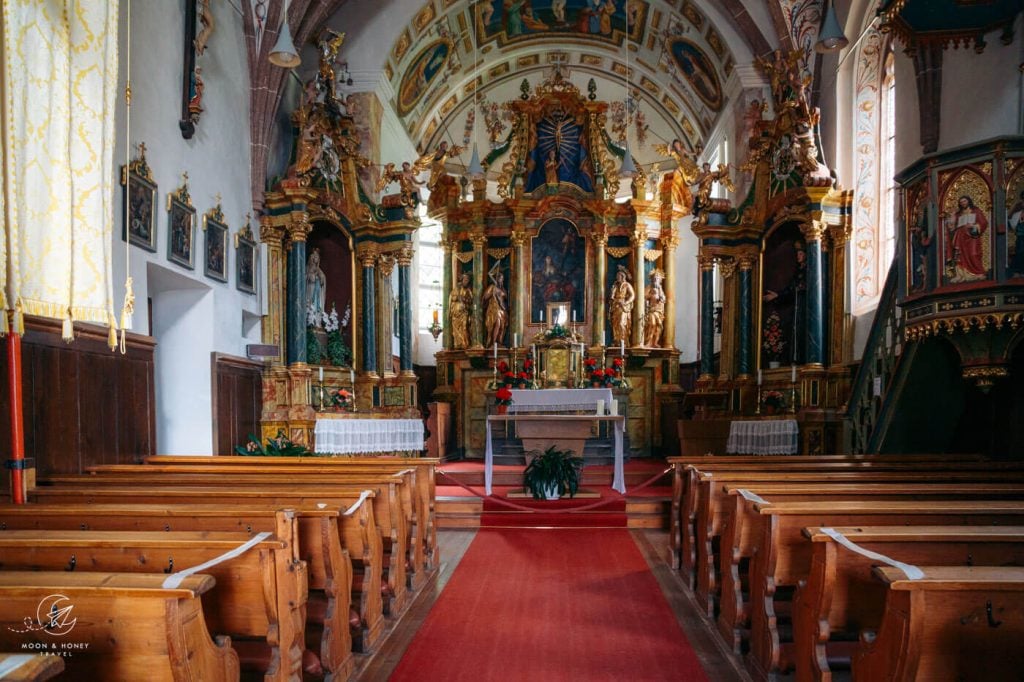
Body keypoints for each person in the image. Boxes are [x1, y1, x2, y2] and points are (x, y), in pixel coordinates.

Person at [762, 240, 807, 365]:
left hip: (805, 308)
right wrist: (777, 295)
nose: (798, 257)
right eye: (797, 254)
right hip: (797, 307)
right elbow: (790, 289)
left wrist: (779, 295)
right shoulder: (798, 272)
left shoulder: (808, 271)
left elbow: (796, 289)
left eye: (801, 254)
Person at [944, 195, 989, 283]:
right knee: (959, 256)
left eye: (964, 201)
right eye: (961, 202)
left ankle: (978, 273)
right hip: (960, 237)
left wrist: (974, 225)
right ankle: (960, 275)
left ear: (968, 201)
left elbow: (983, 222)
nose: (963, 203)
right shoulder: (958, 214)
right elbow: (951, 226)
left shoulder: (976, 211)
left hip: (972, 237)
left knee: (973, 254)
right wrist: (951, 219)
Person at [609, 266, 634, 345]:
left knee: (621, 323)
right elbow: (611, 298)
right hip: (615, 306)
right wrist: (612, 293)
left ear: (623, 277)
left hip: (623, 306)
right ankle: (616, 340)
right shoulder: (615, 286)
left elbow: (632, 295)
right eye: (617, 277)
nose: (617, 278)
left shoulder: (627, 285)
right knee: (615, 324)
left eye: (618, 276)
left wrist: (626, 302)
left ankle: (623, 341)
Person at [483, 271, 508, 348]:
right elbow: (485, 297)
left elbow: (506, 297)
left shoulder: (502, 289)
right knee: (497, 323)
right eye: (500, 279)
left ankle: (499, 341)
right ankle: (493, 342)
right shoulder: (492, 287)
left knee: (502, 326)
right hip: (494, 309)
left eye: (502, 279)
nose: (501, 281)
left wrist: (500, 292)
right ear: (497, 279)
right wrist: (492, 293)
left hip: (502, 309)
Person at [448, 272, 472, 349]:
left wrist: (464, 300)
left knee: (464, 327)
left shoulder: (468, 290)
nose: (466, 281)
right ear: (462, 280)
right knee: (456, 329)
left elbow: (471, 300)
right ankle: (458, 344)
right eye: (465, 279)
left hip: (464, 312)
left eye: (467, 280)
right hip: (456, 312)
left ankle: (465, 343)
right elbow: (452, 298)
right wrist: (457, 298)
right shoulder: (456, 289)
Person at [643, 269, 666, 347]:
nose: (656, 279)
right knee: (652, 323)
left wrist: (659, 292)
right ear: (652, 279)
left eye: (657, 278)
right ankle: (648, 341)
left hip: (659, 310)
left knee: (659, 325)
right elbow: (644, 297)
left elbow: (663, 299)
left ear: (660, 280)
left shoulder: (660, 288)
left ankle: (655, 342)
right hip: (651, 310)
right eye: (654, 278)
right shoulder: (649, 287)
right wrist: (651, 295)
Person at [306, 247, 327, 326]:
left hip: (317, 292)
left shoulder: (319, 269)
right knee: (311, 305)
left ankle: (317, 321)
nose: (316, 258)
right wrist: (311, 277)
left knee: (317, 306)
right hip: (310, 290)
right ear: (311, 257)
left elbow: (323, 278)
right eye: (314, 256)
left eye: (317, 257)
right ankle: (310, 321)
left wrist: (321, 278)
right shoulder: (307, 268)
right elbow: (305, 278)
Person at [1008, 190, 1024, 275]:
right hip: (1020, 236)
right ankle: (1019, 270)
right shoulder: (1018, 213)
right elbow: (1010, 223)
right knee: (1020, 251)